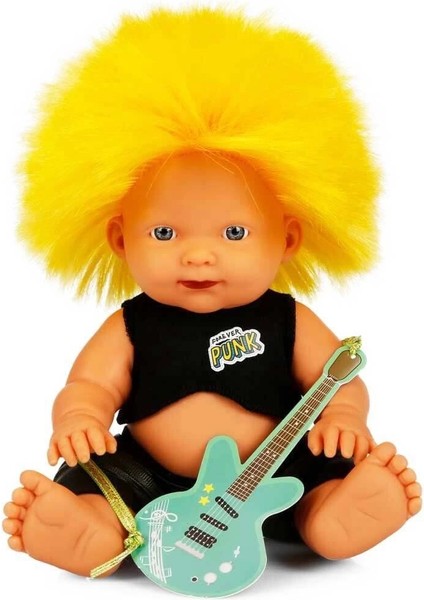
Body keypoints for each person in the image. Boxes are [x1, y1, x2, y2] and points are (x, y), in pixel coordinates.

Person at [2, 6, 421, 579]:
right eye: (165, 233)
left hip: (271, 472)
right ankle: (88, 526)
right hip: (150, 476)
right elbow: (90, 385)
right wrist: (80, 417)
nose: (199, 254)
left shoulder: (289, 320)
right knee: (101, 476)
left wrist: (343, 418)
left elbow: (339, 379)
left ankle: (333, 514)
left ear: (288, 239)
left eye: (234, 233)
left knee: (321, 468)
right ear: (121, 240)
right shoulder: (130, 325)